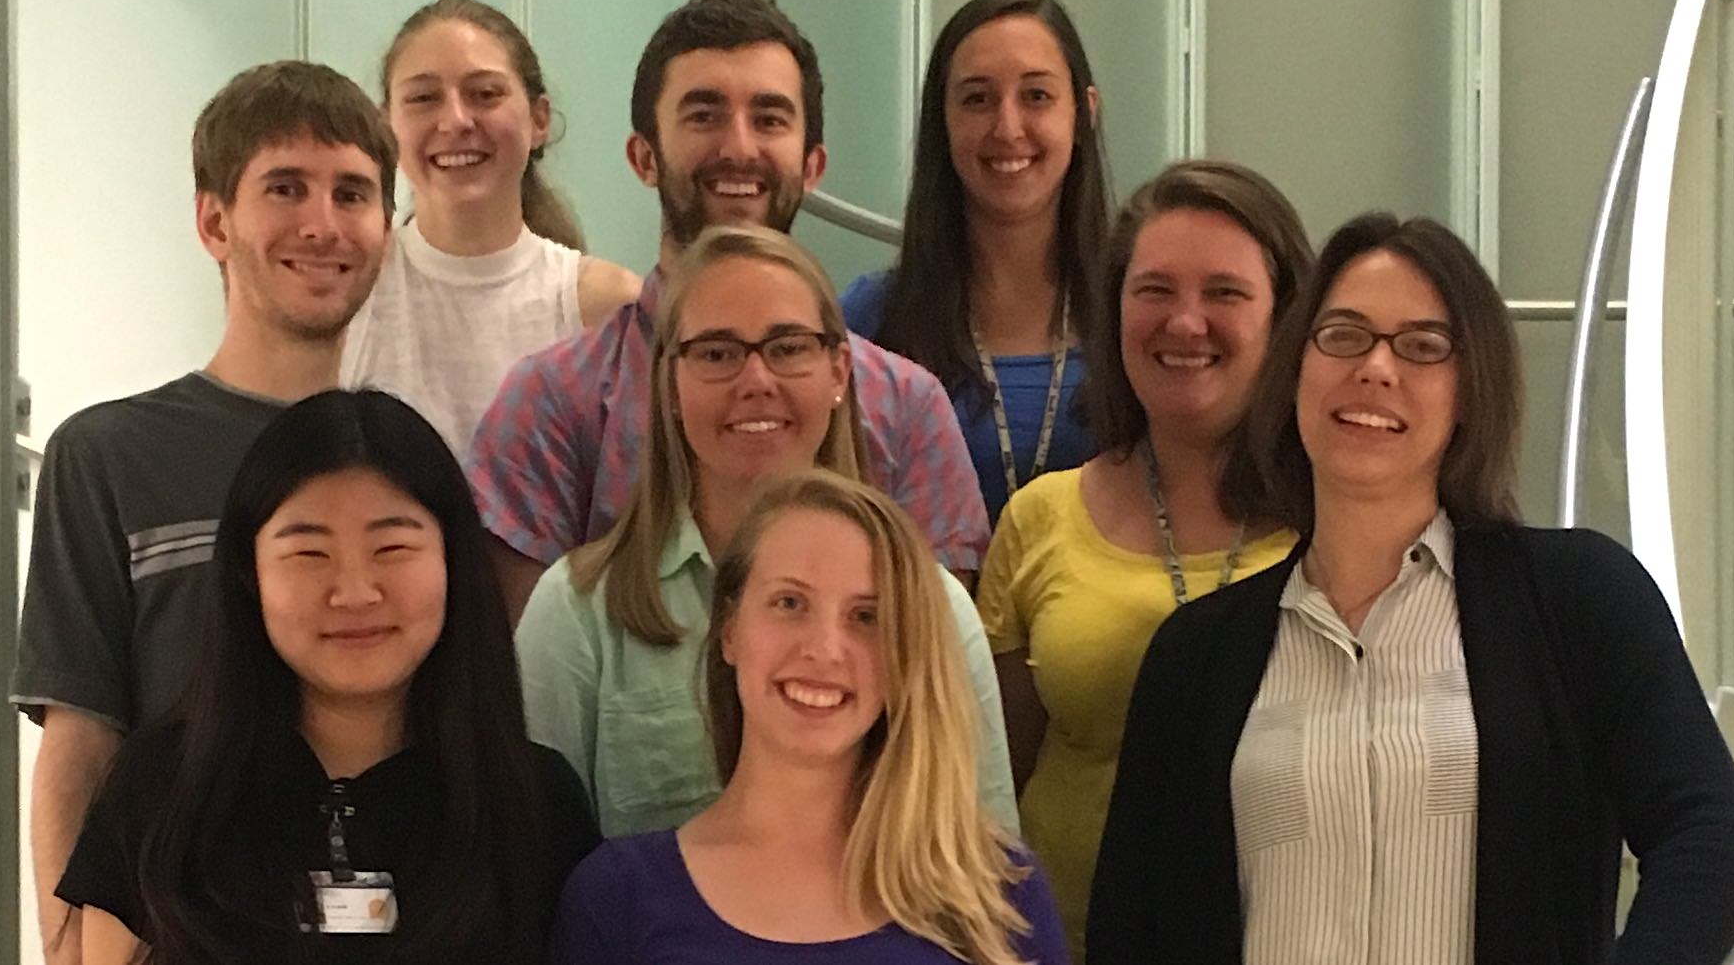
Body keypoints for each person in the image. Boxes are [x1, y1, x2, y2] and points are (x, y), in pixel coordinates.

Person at [1085, 214, 1734, 965]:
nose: (1377, 368)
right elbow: (1129, 928)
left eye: (1422, 346)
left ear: (1469, 392)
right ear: (1294, 374)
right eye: (1344, 334)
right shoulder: (1195, 656)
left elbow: (1715, 844)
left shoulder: (1581, 600)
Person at [9, 60, 395, 964]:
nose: (323, 224)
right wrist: (65, 944)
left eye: (353, 193)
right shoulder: (107, 455)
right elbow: (82, 733)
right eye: (286, 188)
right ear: (214, 221)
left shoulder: (411, 467)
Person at [467, 0, 989, 616]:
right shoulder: (549, 407)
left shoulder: (907, 411)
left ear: (813, 163)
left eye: (769, 118)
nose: (738, 147)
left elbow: (935, 668)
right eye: (704, 115)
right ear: (643, 157)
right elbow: (529, 676)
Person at [55, 389, 599, 963]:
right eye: (309, 554)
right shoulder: (160, 788)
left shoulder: (537, 802)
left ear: (452, 562)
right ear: (249, 574)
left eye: (392, 547)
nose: (355, 592)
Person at [515, 226, 1017, 840]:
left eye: (787, 347)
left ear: (839, 371)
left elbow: (989, 867)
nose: (755, 380)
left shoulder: (932, 609)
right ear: (669, 382)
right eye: (717, 352)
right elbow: (533, 875)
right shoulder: (578, 613)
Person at [976, 160, 1312, 960]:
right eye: (1155, 290)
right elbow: (991, 790)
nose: (1185, 322)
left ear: (1285, 320)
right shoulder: (1040, 518)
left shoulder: (1337, 527)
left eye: (1225, 293)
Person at [551, 469, 1070, 964]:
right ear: (729, 629)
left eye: (866, 617)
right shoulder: (617, 898)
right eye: (790, 602)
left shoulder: (999, 893)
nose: (825, 650)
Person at [843, 0, 1108, 524]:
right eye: (977, 99)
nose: (1007, 128)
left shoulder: (1140, 315)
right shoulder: (868, 324)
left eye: (1036, 96)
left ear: (1084, 113)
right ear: (941, 121)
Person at [340, 0, 641, 457]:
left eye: (485, 94)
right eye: (423, 98)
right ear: (386, 127)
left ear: (538, 119)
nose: (456, 120)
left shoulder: (610, 308)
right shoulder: (346, 291)